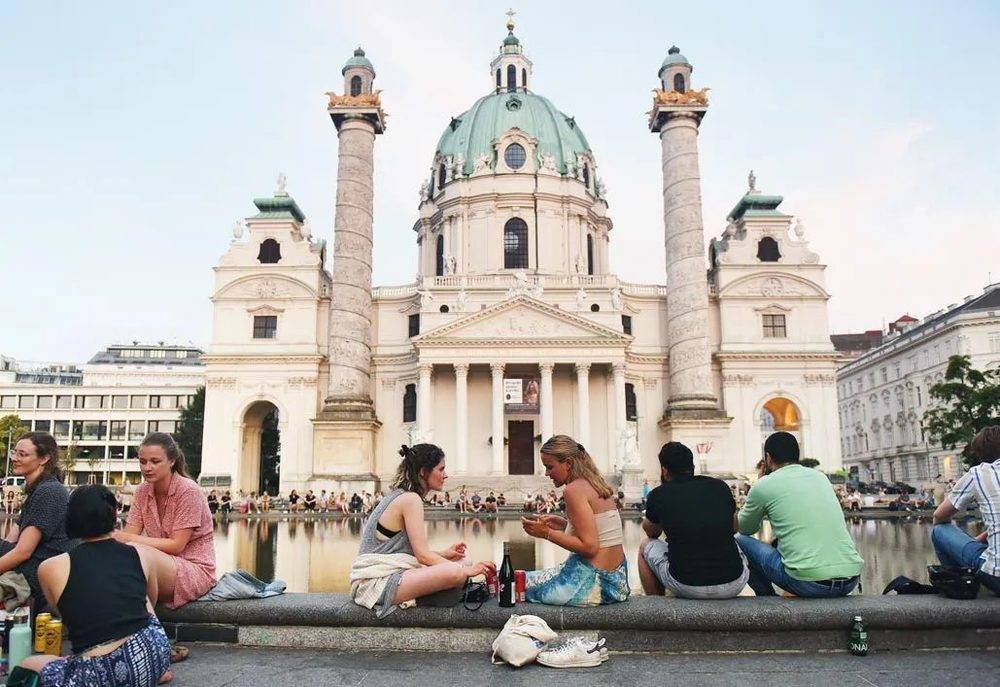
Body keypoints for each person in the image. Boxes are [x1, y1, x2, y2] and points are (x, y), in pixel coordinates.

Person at [21, 485, 172, 686]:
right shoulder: (140, 553)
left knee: (29, 664)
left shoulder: (50, 567)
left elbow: (67, 614)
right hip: (155, 653)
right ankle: (149, 673)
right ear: (113, 516)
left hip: (100, 673)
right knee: (139, 591)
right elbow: (150, 601)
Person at [350, 444, 495, 617]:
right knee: (457, 572)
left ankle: (431, 595)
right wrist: (463, 572)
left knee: (464, 561)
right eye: (441, 469)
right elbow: (423, 557)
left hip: (389, 574)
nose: (445, 475)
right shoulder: (410, 499)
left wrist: (444, 554)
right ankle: (430, 596)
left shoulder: (404, 496)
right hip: (375, 584)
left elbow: (401, 553)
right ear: (423, 471)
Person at [736, 432, 863, 597]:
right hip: (850, 579)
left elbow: (744, 528)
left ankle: (767, 598)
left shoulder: (764, 485)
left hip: (808, 583)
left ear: (768, 458)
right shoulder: (821, 478)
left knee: (738, 540)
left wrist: (758, 487)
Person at [113, 432, 217, 612]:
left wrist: (124, 539)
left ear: (172, 461)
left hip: (195, 570)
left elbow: (177, 545)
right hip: (159, 564)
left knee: (136, 553)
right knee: (117, 556)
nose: (147, 468)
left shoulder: (188, 490)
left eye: (155, 461)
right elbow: (129, 535)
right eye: (143, 462)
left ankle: (145, 621)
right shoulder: (142, 491)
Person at [520, 435, 629, 606]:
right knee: (521, 577)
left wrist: (547, 533)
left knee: (514, 584)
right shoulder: (594, 483)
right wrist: (564, 525)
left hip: (593, 584)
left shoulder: (573, 490)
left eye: (549, 467)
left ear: (568, 463)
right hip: (616, 581)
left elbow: (590, 547)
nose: (547, 473)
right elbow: (598, 533)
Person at [638, 442, 748, 599]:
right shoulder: (720, 487)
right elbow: (734, 528)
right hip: (734, 582)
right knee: (740, 541)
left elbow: (652, 533)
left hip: (686, 584)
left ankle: (656, 604)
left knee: (645, 546)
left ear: (664, 470)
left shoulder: (659, 494)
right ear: (692, 466)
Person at [0, 432, 76, 602]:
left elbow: (23, 552)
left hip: (44, 571)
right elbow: (10, 541)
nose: (15, 458)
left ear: (44, 459)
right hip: (36, 564)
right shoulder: (37, 490)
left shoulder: (49, 491)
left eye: (22, 454)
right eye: (14, 452)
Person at [930, 426, 1000, 596]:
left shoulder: (978, 474)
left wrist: (972, 543)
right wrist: (983, 537)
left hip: (997, 577)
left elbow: (939, 515)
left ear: (980, 454)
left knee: (939, 531)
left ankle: (958, 583)